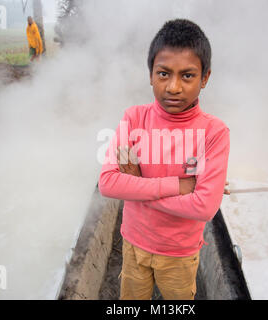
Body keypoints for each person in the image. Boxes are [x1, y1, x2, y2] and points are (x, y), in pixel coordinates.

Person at [98, 19, 230, 300]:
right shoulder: (134, 119)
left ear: (205, 78)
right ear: (150, 75)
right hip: (133, 243)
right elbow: (109, 183)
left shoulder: (213, 133)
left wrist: (137, 187)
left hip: (179, 254)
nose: (173, 87)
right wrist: (179, 185)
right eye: (163, 74)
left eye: (187, 76)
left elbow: (204, 207)